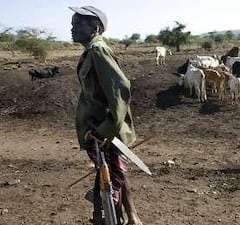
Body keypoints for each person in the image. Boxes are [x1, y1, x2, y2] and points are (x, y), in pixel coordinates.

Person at [69, 6, 143, 225]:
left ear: (95, 26)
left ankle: (117, 218)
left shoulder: (97, 51)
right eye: (72, 24)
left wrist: (106, 130)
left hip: (102, 130)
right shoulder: (91, 50)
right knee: (113, 171)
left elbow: (120, 89)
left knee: (110, 180)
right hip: (98, 127)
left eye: (78, 24)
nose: (72, 28)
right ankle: (131, 217)